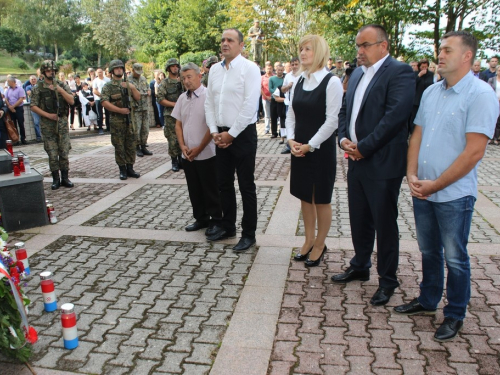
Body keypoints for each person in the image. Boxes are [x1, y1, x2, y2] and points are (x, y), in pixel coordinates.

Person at [394, 31, 499, 342]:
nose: (439, 55)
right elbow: (417, 135)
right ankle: (427, 300)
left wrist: (435, 184)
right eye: (439, 49)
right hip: (422, 188)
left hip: (453, 193)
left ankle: (454, 313)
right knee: (428, 250)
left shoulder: (480, 95)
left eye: (447, 50)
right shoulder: (431, 92)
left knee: (455, 256)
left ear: (466, 56)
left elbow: (474, 151)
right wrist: (411, 174)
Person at [333, 24, 415, 306]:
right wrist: (343, 139)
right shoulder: (356, 74)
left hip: (382, 163)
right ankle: (360, 265)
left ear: (383, 46)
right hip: (355, 159)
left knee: (384, 223)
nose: (359, 51)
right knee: (359, 218)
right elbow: (344, 110)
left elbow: (395, 118)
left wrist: (364, 148)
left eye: (365, 45)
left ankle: (388, 280)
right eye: (358, 46)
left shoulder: (400, 72)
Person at [286, 35, 343, 267]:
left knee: (320, 199)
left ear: (318, 51)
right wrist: (291, 140)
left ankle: (320, 243)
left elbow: (332, 121)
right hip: (299, 147)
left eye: (307, 49)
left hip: (319, 149)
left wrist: (311, 144)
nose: (302, 53)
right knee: (304, 197)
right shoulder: (299, 79)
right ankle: (308, 240)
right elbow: (291, 113)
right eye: (301, 49)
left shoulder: (332, 82)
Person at [205, 28, 261, 252]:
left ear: (241, 45)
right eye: (222, 40)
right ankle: (228, 226)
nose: (225, 43)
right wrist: (213, 131)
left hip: (243, 134)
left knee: (246, 186)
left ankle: (249, 234)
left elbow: (250, 105)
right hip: (219, 134)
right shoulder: (215, 71)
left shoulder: (250, 69)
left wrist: (232, 133)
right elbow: (209, 103)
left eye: (230, 40)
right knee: (223, 184)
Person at [172, 62, 223, 235]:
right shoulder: (182, 98)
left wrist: (199, 148)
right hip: (188, 154)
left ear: (199, 76)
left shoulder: (209, 95)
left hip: (207, 152)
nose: (186, 81)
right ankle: (201, 218)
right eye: (183, 78)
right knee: (194, 188)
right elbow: (178, 124)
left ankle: (216, 220)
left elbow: (212, 125)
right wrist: (182, 146)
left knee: (210, 188)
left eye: (189, 77)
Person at [31, 60, 75, 190]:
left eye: (53, 71)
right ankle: (56, 178)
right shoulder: (38, 87)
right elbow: (33, 106)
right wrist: (48, 115)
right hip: (48, 124)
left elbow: (71, 101)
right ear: (44, 72)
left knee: (64, 151)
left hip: (61, 123)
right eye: (49, 71)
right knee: (52, 152)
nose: (51, 73)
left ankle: (65, 177)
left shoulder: (62, 84)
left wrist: (60, 90)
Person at [100, 59, 141, 180]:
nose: (119, 70)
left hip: (130, 120)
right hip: (117, 121)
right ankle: (122, 169)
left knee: (131, 145)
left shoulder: (129, 83)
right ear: (112, 71)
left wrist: (132, 87)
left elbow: (138, 97)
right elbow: (104, 102)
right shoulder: (108, 86)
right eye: (116, 68)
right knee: (119, 145)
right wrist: (119, 110)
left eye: (121, 68)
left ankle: (130, 168)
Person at [156, 58, 184, 172]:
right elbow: (160, 99)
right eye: (172, 66)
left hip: (183, 114)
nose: (175, 68)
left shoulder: (182, 81)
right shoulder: (164, 83)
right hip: (170, 114)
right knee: (172, 139)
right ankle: (174, 161)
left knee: (183, 137)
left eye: (176, 66)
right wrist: (174, 104)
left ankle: (182, 159)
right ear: (168, 69)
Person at [128, 63, 153, 157]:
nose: (139, 74)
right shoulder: (128, 81)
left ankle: (143, 145)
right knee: (136, 129)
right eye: (137, 72)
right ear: (133, 70)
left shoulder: (143, 79)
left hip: (145, 107)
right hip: (136, 108)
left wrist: (148, 92)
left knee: (145, 128)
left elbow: (148, 89)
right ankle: (136, 146)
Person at [280, 57, 301, 154]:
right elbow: (282, 89)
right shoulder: (288, 76)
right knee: (290, 123)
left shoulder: (303, 74)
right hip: (290, 103)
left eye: (296, 64)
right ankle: (289, 144)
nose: (294, 66)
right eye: (292, 64)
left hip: (301, 102)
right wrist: (288, 86)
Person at [409, 59, 435, 134]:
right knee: (414, 117)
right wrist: (419, 76)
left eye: (425, 67)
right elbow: (412, 84)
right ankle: (413, 132)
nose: (424, 69)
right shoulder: (415, 74)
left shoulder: (430, 74)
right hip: (416, 99)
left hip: (427, 99)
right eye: (422, 67)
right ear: (419, 67)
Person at [4, 76, 27, 145]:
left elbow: (21, 99)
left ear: (13, 82)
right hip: (11, 109)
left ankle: (23, 139)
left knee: (21, 124)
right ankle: (16, 139)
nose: (8, 83)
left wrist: (13, 107)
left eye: (9, 82)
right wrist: (10, 107)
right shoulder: (8, 90)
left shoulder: (20, 89)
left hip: (18, 108)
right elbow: (6, 99)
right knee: (13, 124)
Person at [269, 63, 285, 138]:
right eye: (278, 70)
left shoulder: (285, 79)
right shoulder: (271, 79)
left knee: (282, 116)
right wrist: (276, 93)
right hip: (273, 99)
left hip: (282, 100)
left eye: (281, 70)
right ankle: (274, 132)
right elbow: (270, 88)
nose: (280, 71)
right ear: (276, 70)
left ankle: (282, 132)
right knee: (273, 116)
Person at [92, 68, 110, 135]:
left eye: (101, 72)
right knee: (99, 114)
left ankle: (108, 127)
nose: (100, 73)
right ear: (96, 73)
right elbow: (94, 90)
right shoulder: (95, 81)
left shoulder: (107, 80)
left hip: (107, 99)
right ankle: (100, 128)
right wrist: (101, 95)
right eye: (98, 72)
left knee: (107, 113)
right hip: (98, 99)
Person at [25, 75, 42, 141]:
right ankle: (39, 137)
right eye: (32, 79)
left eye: (34, 79)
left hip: (41, 106)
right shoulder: (28, 87)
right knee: (36, 122)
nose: (33, 80)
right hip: (34, 106)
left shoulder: (40, 86)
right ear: (30, 81)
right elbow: (29, 93)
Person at [488, 66, 500, 145]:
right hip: (494, 101)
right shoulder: (492, 79)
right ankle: (490, 137)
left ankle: (496, 138)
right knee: (492, 119)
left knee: (499, 121)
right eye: (499, 70)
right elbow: (489, 90)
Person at [261, 63, 273, 134]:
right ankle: (267, 128)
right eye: (268, 68)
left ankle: (274, 129)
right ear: (265, 69)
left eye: (270, 68)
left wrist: (272, 96)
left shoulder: (274, 77)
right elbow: (260, 88)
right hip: (265, 98)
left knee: (274, 114)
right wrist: (266, 96)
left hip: (274, 98)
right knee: (267, 114)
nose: (269, 70)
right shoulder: (262, 77)